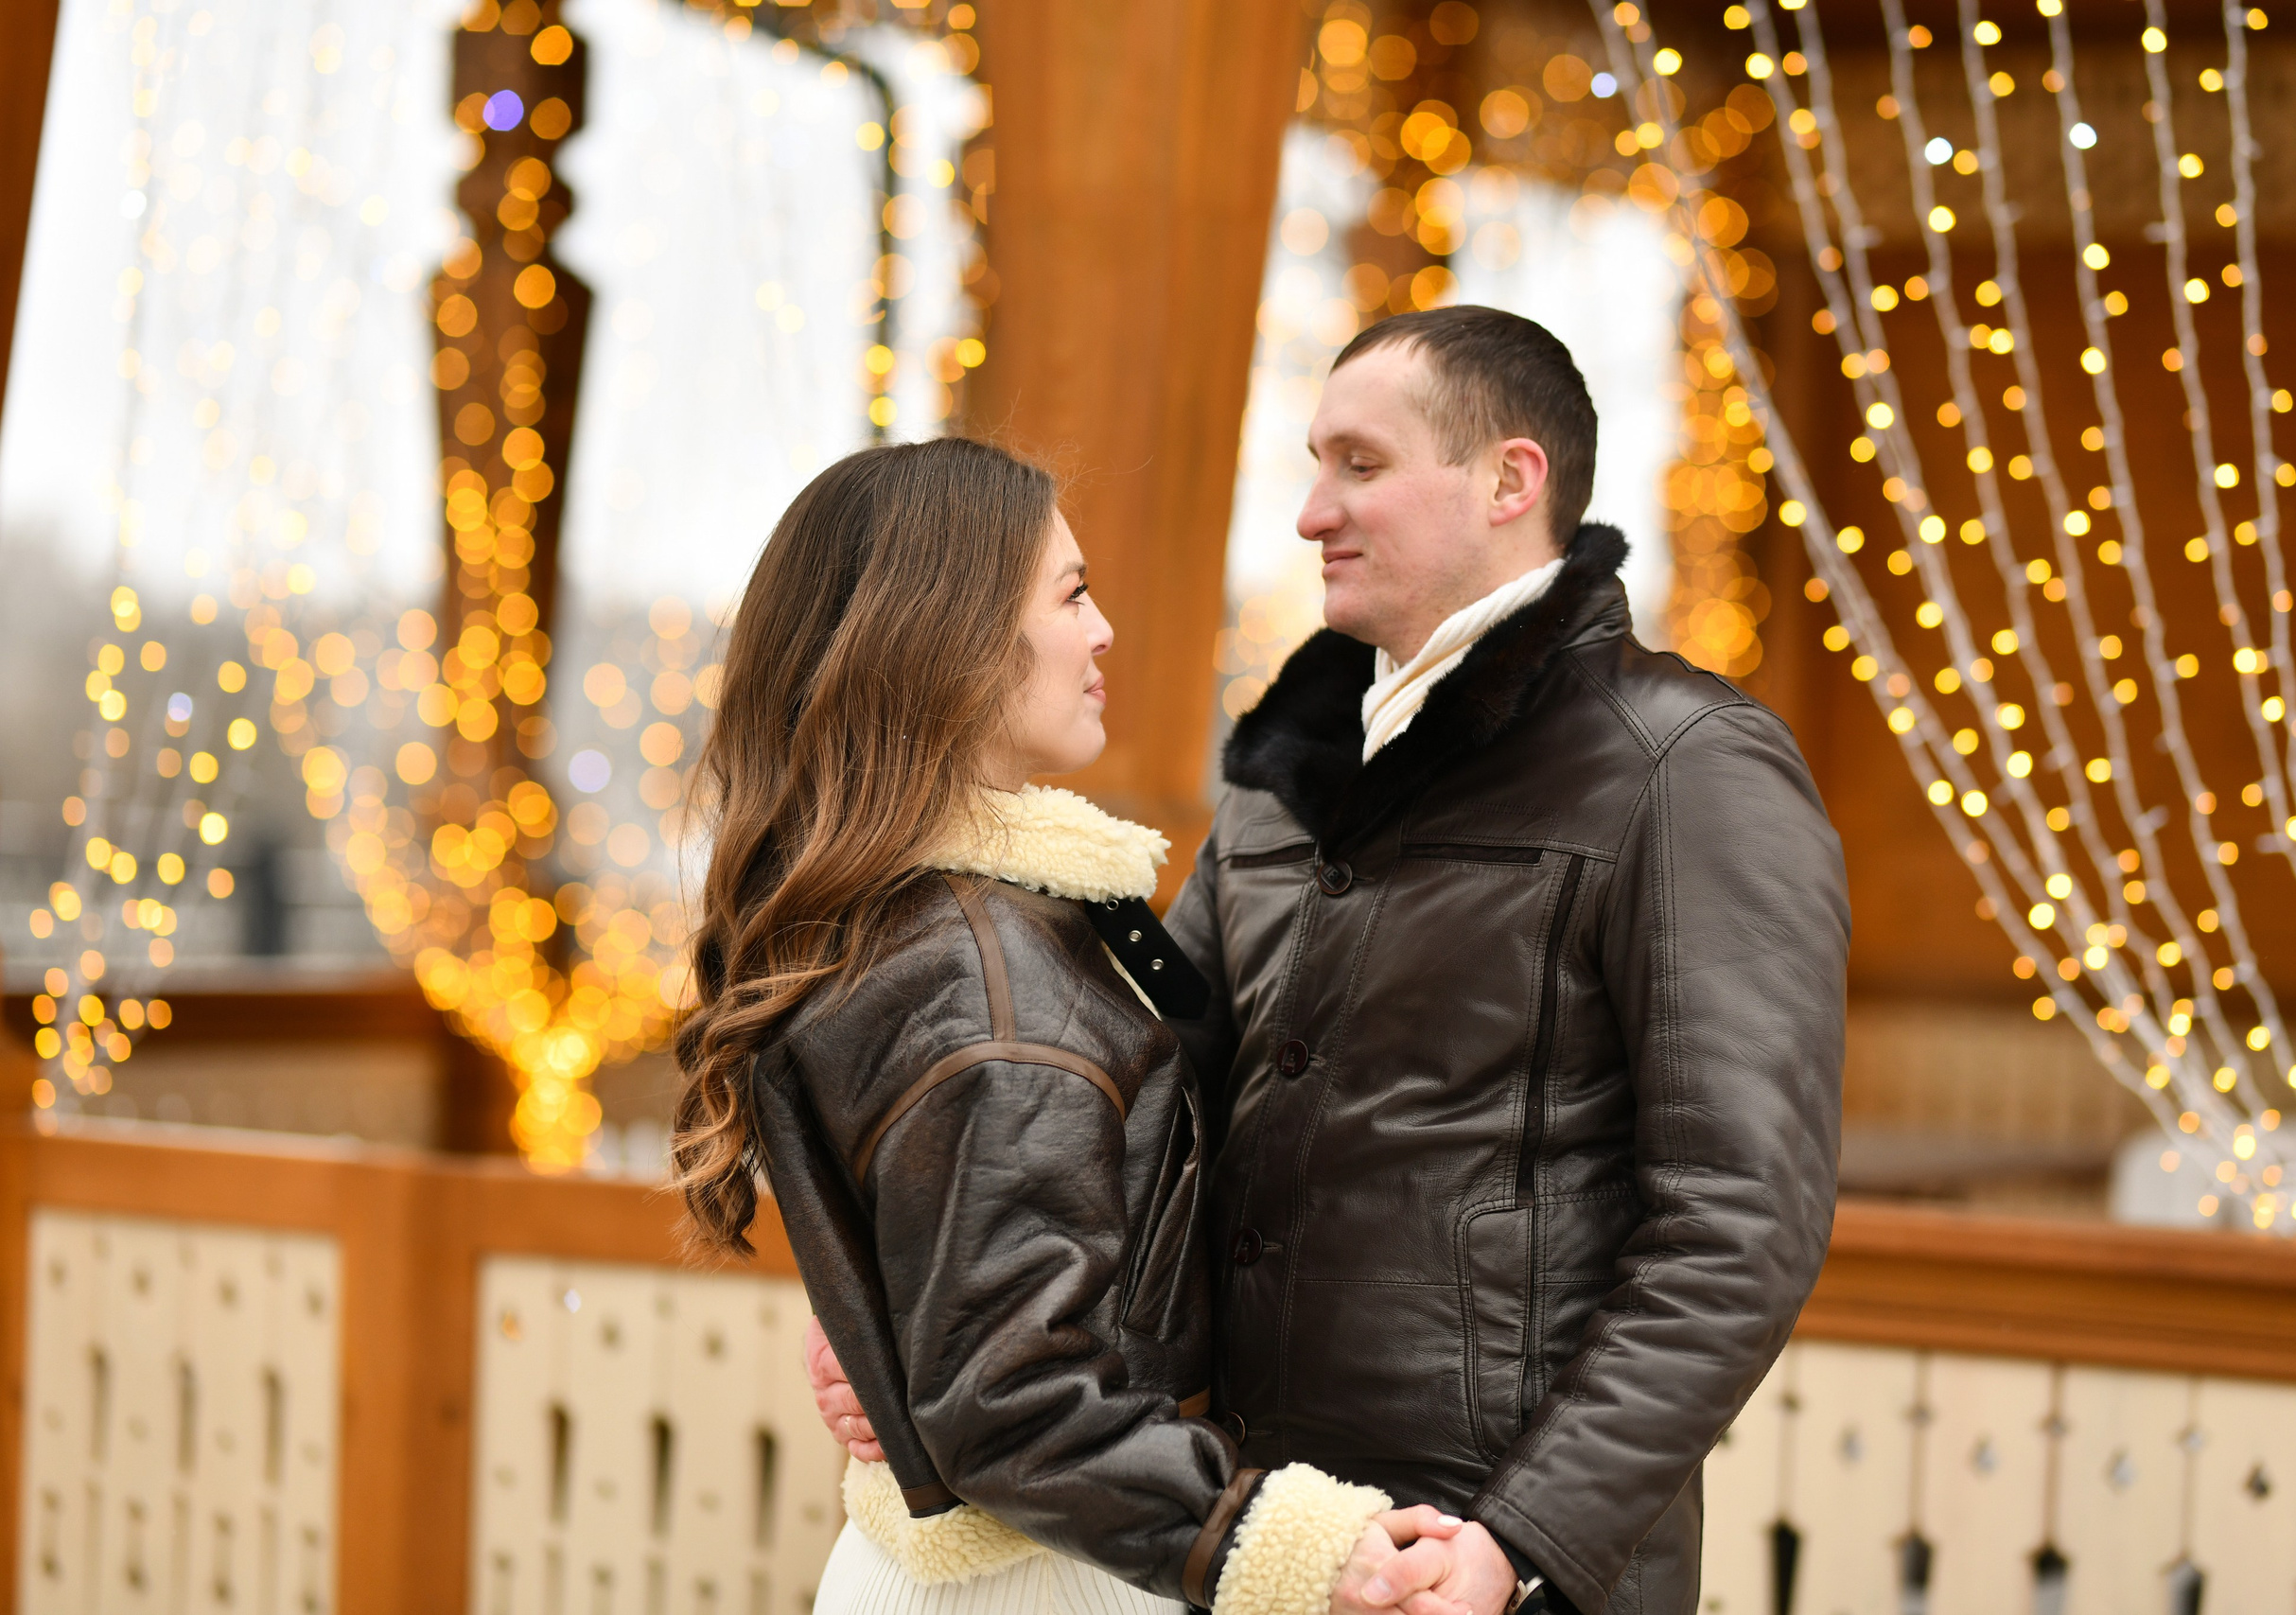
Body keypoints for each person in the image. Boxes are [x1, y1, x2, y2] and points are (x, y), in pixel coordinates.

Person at [810, 309, 1849, 1615]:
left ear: (1510, 480)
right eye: (1315, 465)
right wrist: (912, 1306)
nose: (1311, 512)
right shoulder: (1284, 776)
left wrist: (1519, 1540)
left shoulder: (1682, 763)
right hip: (1267, 1535)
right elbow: (1146, 1105)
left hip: (1474, 1559)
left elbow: (1738, 1220)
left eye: (1361, 465)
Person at [668, 437, 1469, 1615]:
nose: (1103, 633)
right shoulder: (987, 979)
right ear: (950, 639)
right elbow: (1011, 1400)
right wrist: (1294, 1547)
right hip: (1044, 1580)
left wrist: (896, 1318)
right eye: (1072, 595)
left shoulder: (937, 920)